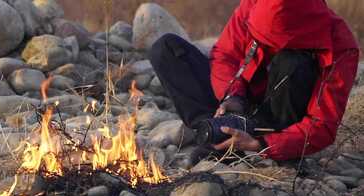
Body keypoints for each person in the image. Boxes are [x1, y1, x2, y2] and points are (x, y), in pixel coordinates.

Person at [149, 0, 360, 161]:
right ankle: (215, 132)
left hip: (277, 126)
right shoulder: (254, 3)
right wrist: (232, 95)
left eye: (272, 41)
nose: (266, 45)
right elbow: (225, 55)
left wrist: (261, 144)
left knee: (293, 63)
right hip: (241, 101)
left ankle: (245, 147)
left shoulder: (342, 47)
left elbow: (322, 125)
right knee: (167, 49)